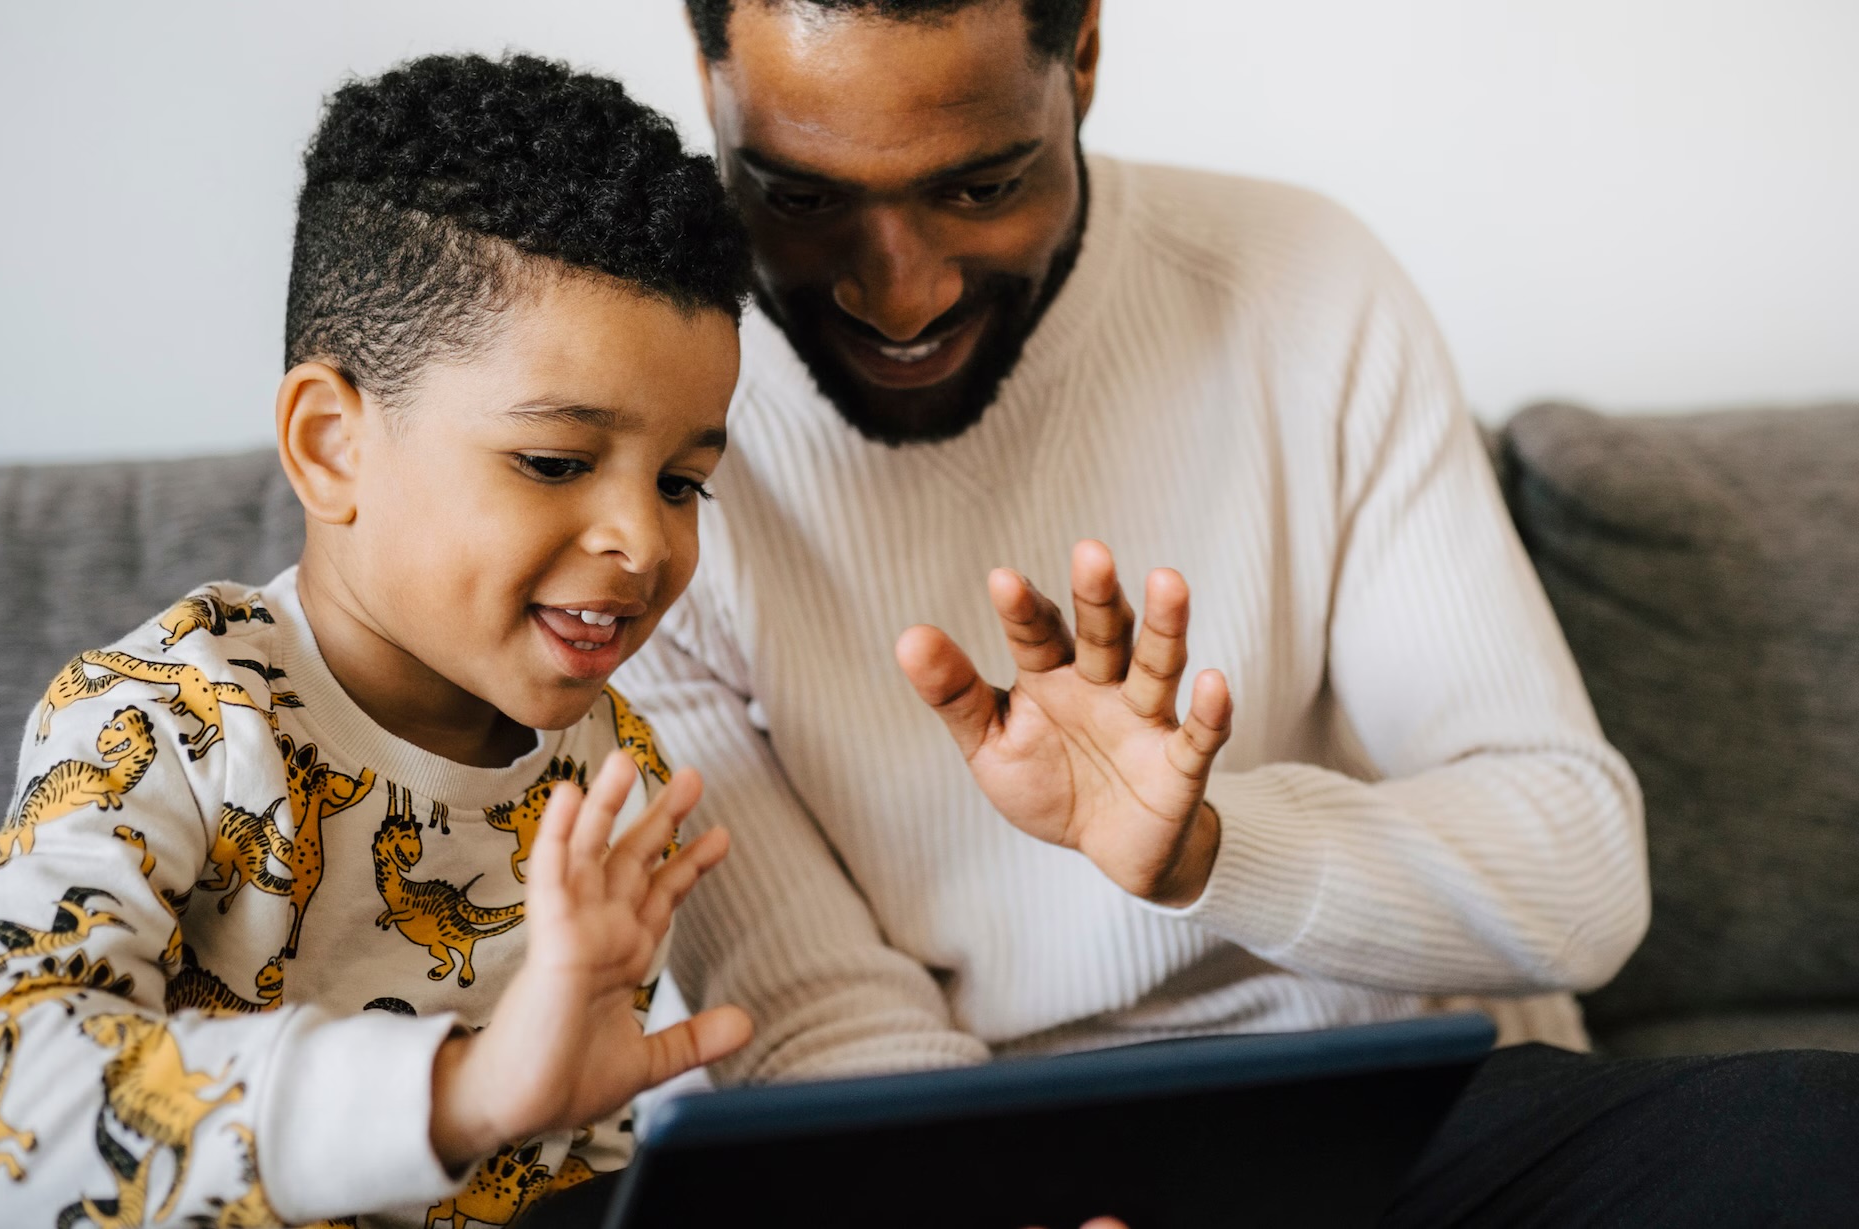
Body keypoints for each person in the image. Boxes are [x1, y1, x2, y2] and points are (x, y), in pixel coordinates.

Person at [619, 0, 1859, 1221]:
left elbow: (1577, 876)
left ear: (1081, 53)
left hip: (1407, 1108)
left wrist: (1213, 848)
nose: (901, 296)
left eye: (981, 187)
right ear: (709, 75)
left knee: (1821, 1132)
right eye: (799, 198)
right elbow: (816, 1014)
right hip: (990, 1147)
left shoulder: (1300, 285)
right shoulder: (645, 435)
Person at [0, 52, 754, 1229]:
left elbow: (560, 1148)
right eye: (554, 461)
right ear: (331, 445)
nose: (640, 539)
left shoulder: (611, 778)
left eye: (683, 481)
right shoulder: (168, 720)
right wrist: (460, 1091)